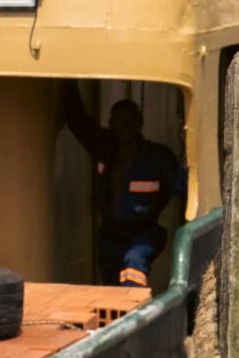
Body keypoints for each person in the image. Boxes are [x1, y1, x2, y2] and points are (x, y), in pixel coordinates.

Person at [60, 83, 186, 288]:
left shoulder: (158, 157)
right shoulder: (105, 148)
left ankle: (138, 316)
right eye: (119, 123)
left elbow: (184, 188)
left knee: (134, 265)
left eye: (129, 122)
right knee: (111, 286)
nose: (124, 128)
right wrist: (67, 82)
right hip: (110, 236)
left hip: (145, 233)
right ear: (110, 124)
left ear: (140, 122)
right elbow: (78, 123)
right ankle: (120, 315)